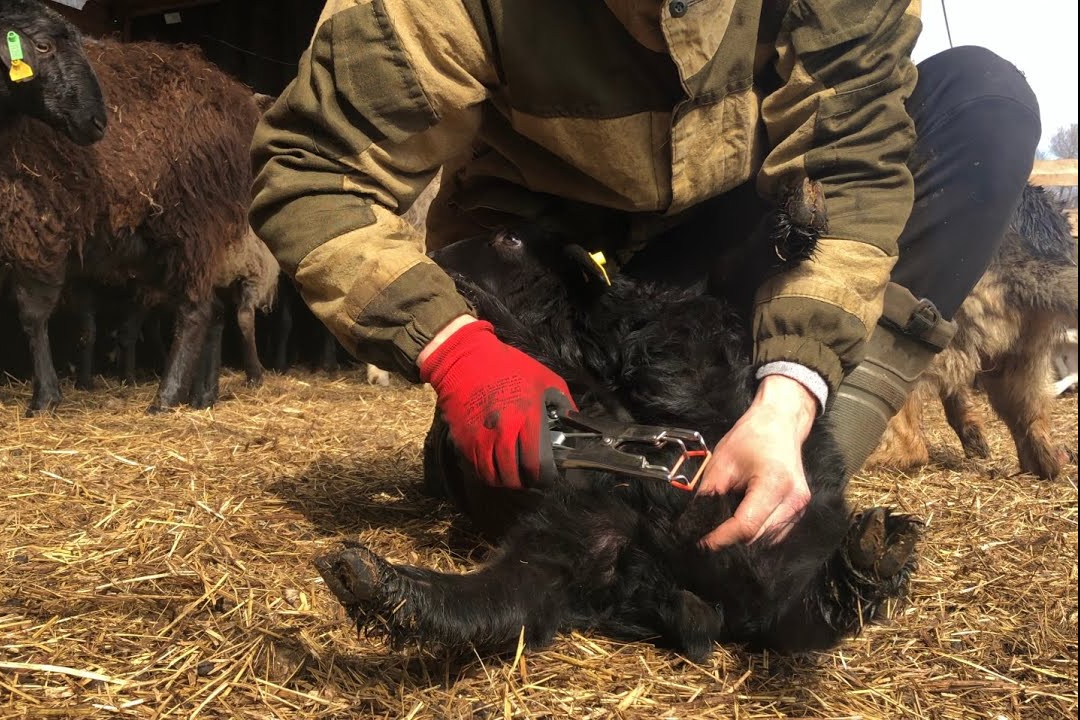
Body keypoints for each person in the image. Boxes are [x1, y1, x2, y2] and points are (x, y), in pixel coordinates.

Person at [249, 0, 1041, 549]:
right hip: (558, 266)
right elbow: (311, 165)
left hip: (745, 236)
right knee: (527, 497)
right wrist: (455, 351)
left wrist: (791, 396)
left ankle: (799, 470)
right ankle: (543, 449)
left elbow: (852, 165)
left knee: (984, 102)